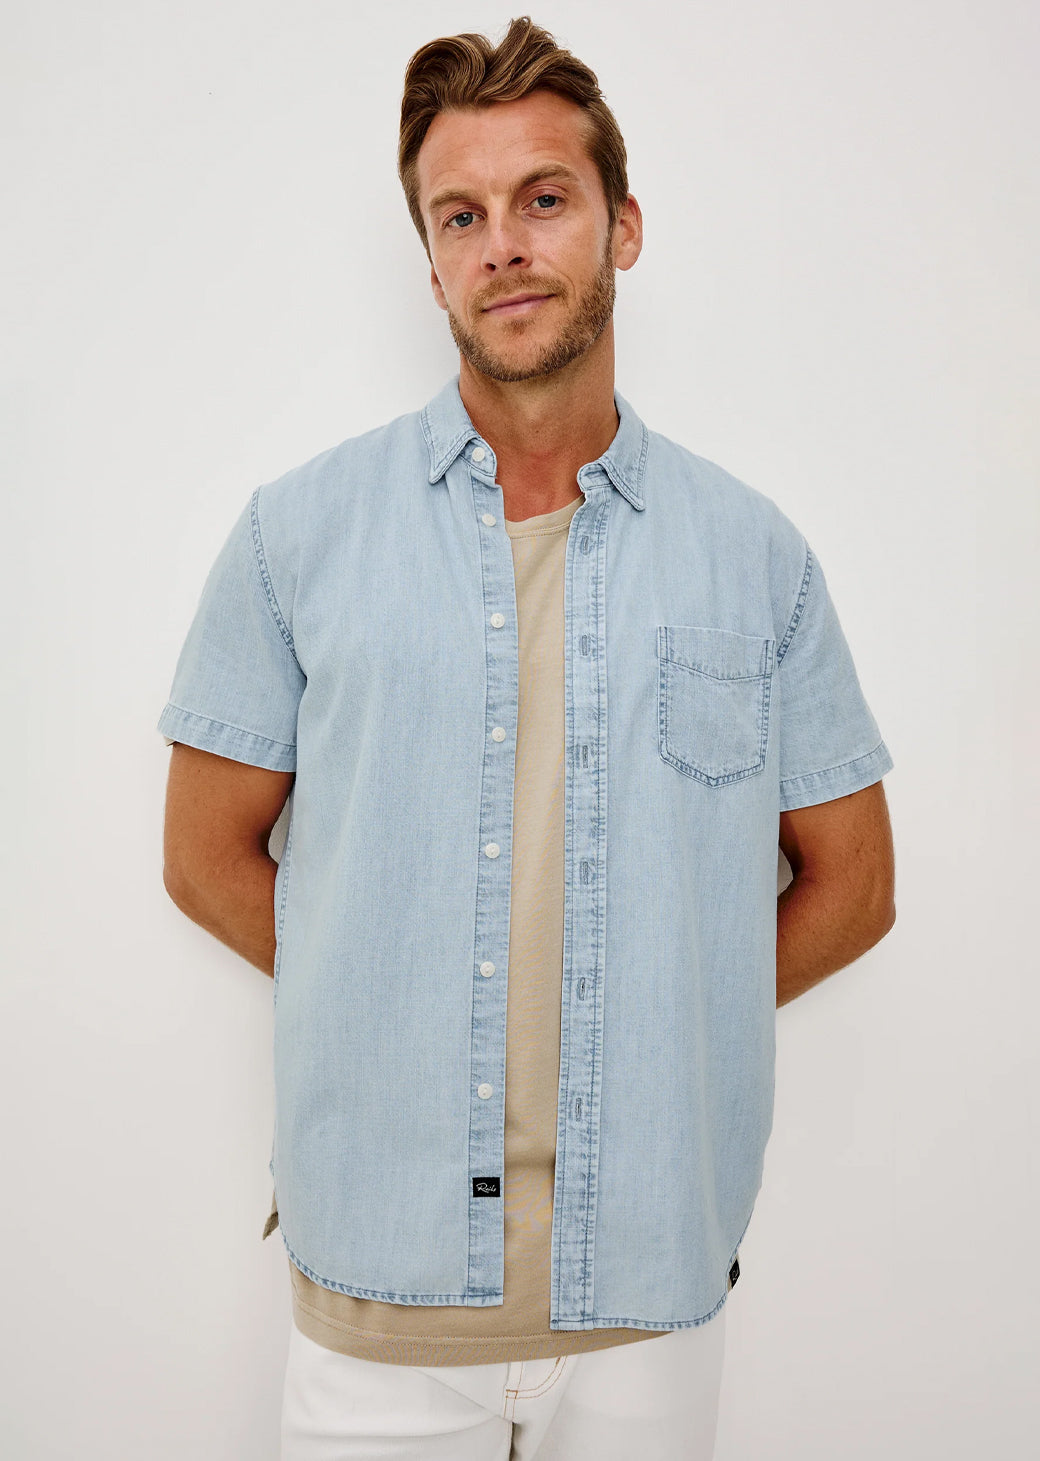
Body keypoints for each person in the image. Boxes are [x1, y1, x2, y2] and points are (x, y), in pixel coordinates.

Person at [159, 16, 895, 1459]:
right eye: (461, 213)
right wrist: (388, 1000)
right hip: (377, 1287)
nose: (503, 242)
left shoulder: (756, 557)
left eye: (544, 198)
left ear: (622, 226)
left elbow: (855, 886)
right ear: (430, 260)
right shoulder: (295, 538)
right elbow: (202, 856)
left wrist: (662, 1011)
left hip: (649, 1293)